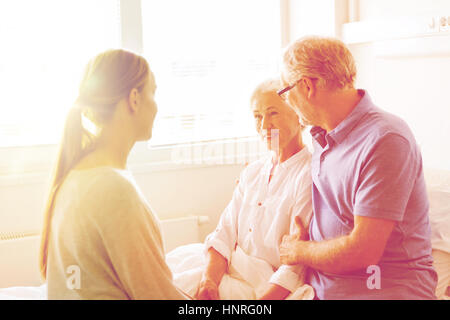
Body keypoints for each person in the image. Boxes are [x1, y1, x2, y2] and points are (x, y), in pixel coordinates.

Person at [278, 36, 438, 299]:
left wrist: (299, 250)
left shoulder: (385, 140)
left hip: (382, 290)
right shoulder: (321, 137)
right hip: (321, 286)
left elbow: (363, 252)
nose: (287, 102)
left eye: (286, 92)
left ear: (307, 86)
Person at [39, 49, 188, 300]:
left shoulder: (76, 175)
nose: (157, 106)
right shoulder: (115, 190)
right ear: (134, 99)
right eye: (153, 92)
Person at [166, 78, 314, 300]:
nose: (264, 126)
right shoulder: (252, 172)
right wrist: (209, 281)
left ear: (299, 116)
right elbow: (223, 235)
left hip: (261, 284)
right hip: (226, 268)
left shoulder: (309, 175)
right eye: (257, 116)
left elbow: (295, 267)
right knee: (165, 272)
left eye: (273, 113)